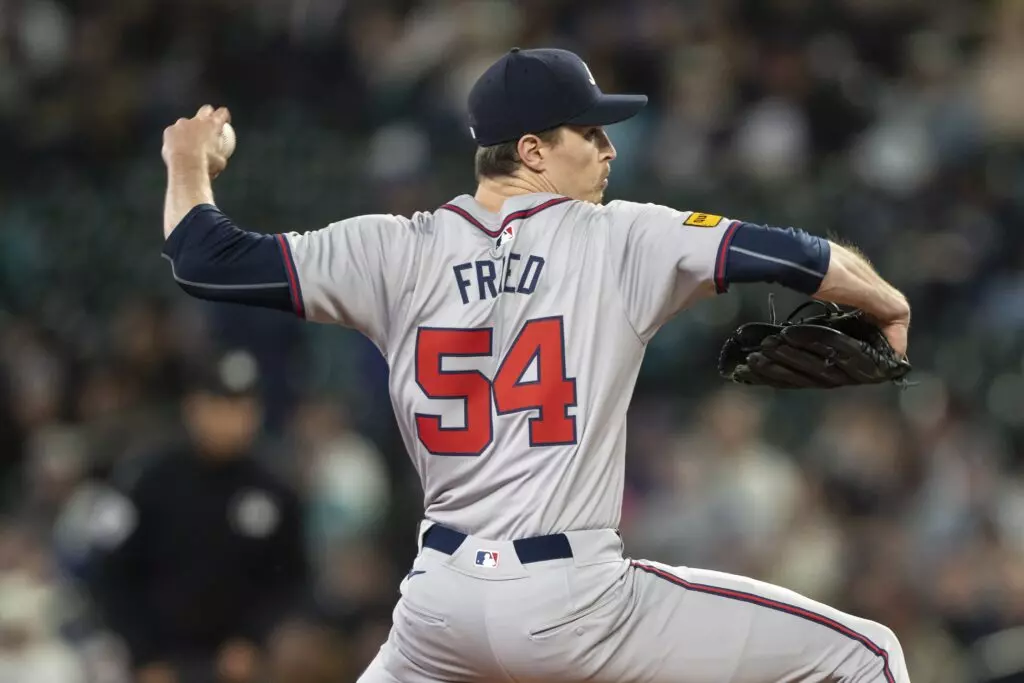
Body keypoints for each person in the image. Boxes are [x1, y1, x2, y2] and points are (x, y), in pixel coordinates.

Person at [159, 47, 912, 683]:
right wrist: (885, 302)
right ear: (532, 150)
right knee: (867, 655)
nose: (610, 149)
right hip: (572, 601)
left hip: (438, 607)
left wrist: (188, 162)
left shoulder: (390, 248)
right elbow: (792, 253)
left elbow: (206, 258)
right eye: (591, 132)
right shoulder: (618, 236)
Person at [84, 351, 308, 683]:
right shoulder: (147, 480)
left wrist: (254, 639)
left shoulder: (274, 488)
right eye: (220, 404)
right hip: (157, 661)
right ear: (193, 407)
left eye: (243, 406)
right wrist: (145, 656)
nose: (233, 418)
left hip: (241, 663)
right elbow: (112, 574)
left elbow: (293, 578)